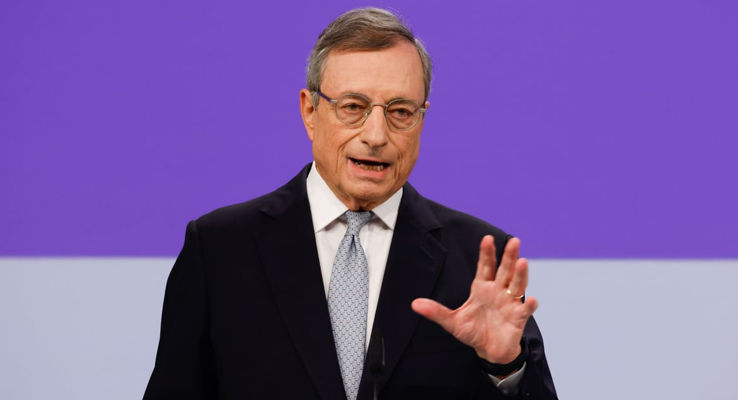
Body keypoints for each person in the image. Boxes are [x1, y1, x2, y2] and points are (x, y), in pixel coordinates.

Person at [144, 7, 557, 400]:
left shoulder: (477, 260)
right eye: (354, 108)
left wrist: (504, 366)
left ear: (422, 119)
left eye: (400, 111)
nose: (376, 135)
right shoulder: (220, 250)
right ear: (310, 111)